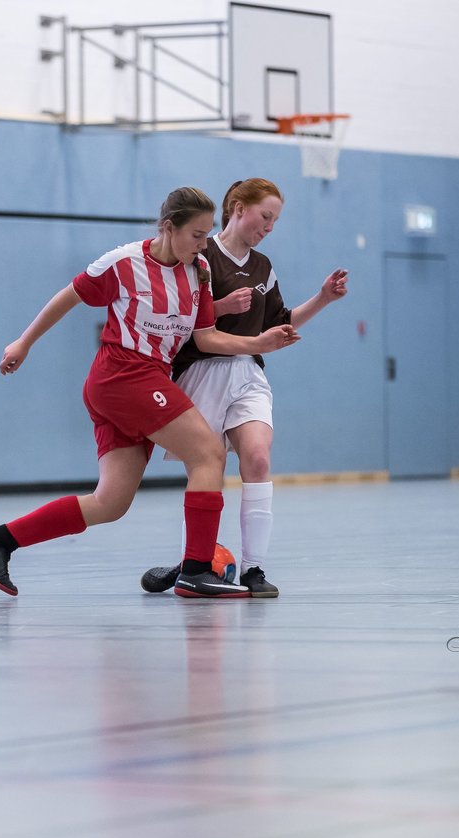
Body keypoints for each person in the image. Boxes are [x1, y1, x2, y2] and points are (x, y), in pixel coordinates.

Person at [0, 186, 301, 598]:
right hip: (123, 375)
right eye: (196, 235)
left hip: (146, 380)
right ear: (168, 227)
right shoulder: (124, 261)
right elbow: (67, 297)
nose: (203, 245)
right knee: (208, 454)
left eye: (207, 234)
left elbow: (207, 336)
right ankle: (196, 569)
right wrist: (24, 342)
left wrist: (257, 344)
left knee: (111, 502)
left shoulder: (197, 273)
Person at [140, 178, 348, 598]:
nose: (269, 226)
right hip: (200, 373)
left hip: (248, 373)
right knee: (207, 471)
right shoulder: (199, 257)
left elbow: (281, 321)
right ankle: (191, 562)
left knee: (257, 456)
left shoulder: (263, 267)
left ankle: (254, 568)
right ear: (237, 208)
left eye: (275, 221)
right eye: (265, 216)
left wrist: (323, 298)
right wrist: (220, 307)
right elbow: (184, 322)